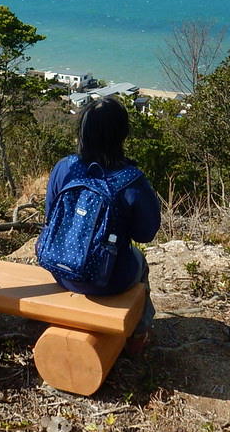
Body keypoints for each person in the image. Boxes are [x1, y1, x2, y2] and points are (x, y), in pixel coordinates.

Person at [43, 97, 160, 354]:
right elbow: (146, 232)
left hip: (62, 270)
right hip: (110, 279)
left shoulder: (66, 167)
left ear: (83, 132)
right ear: (123, 134)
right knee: (139, 260)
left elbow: (50, 216)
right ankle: (138, 333)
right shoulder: (132, 180)